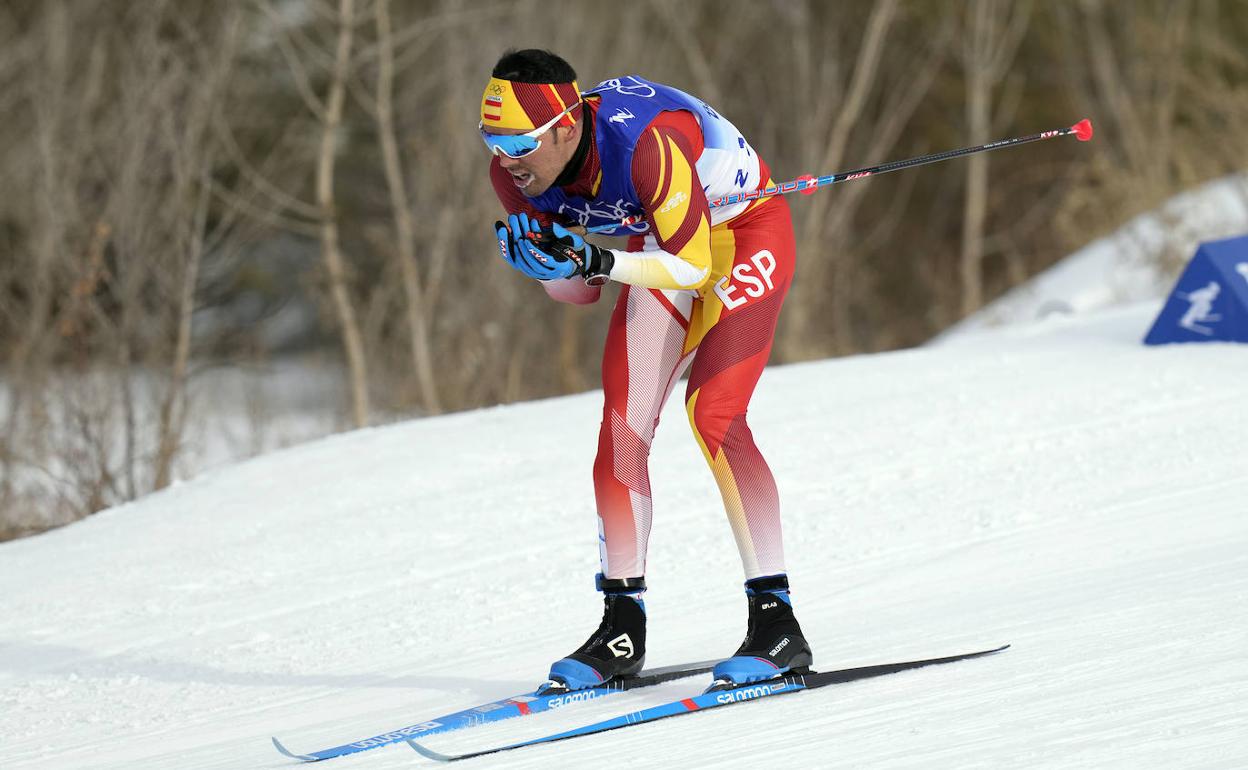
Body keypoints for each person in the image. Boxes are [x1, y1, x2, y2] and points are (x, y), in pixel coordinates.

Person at [481, 49, 811, 690]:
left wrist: (597, 262)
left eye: (519, 142)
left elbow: (690, 267)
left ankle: (777, 624)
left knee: (712, 412)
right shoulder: (515, 176)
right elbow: (581, 292)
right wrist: (552, 270)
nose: (506, 161)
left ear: (567, 126)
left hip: (743, 231)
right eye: (493, 142)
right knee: (621, 427)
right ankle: (620, 627)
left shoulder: (645, 147)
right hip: (661, 244)